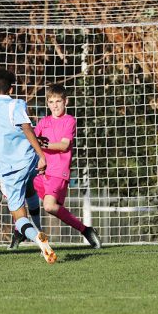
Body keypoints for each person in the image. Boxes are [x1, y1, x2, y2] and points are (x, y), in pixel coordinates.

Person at [0, 67, 57, 264]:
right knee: (29, 186)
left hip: (8, 169)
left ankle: (37, 238)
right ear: (11, 89)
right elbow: (27, 128)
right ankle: (39, 228)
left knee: (19, 217)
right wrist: (42, 156)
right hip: (28, 159)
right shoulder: (16, 105)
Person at [21, 83, 101, 249]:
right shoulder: (43, 122)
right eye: (51, 102)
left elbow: (64, 146)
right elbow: (32, 141)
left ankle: (85, 230)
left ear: (66, 102)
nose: (55, 105)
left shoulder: (69, 121)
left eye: (58, 101)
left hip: (58, 172)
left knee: (49, 206)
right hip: (41, 173)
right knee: (20, 192)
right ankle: (20, 232)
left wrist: (41, 146)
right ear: (47, 103)